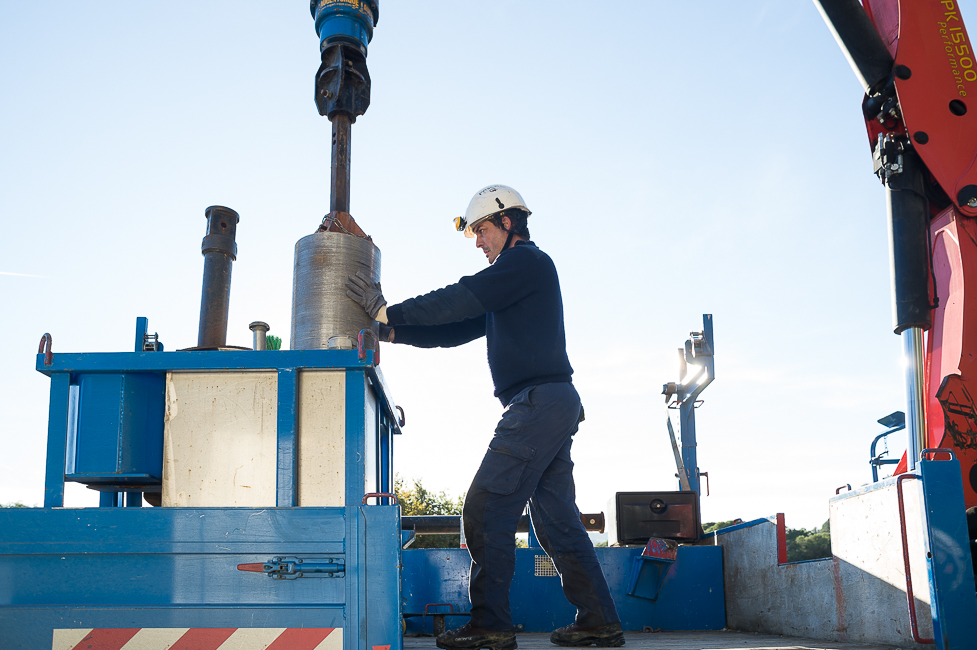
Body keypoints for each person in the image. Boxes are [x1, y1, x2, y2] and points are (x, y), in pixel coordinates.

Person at [345, 185, 623, 650]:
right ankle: (599, 621)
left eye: (482, 230)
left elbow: (460, 297)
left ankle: (490, 624)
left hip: (537, 404)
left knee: (486, 507)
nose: (478, 242)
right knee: (555, 521)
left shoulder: (526, 263)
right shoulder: (511, 284)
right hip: (551, 403)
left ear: (507, 223)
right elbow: (455, 328)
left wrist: (387, 308)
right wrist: (390, 331)